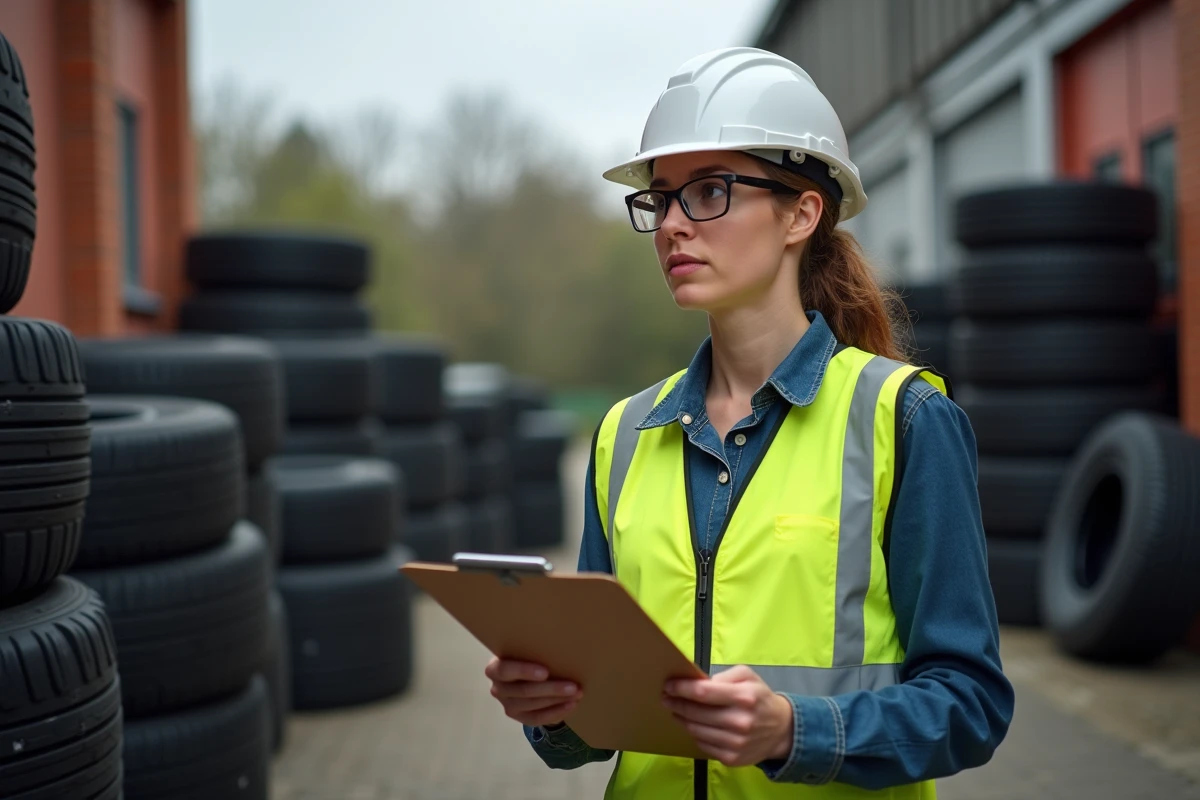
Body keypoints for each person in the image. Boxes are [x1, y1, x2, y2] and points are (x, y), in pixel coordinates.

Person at [484, 47, 1013, 798]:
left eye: (708, 191)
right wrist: (553, 714)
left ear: (802, 213)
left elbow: (972, 705)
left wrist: (793, 732)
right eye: (659, 199)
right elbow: (585, 736)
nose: (672, 224)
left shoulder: (907, 420)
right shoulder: (623, 435)